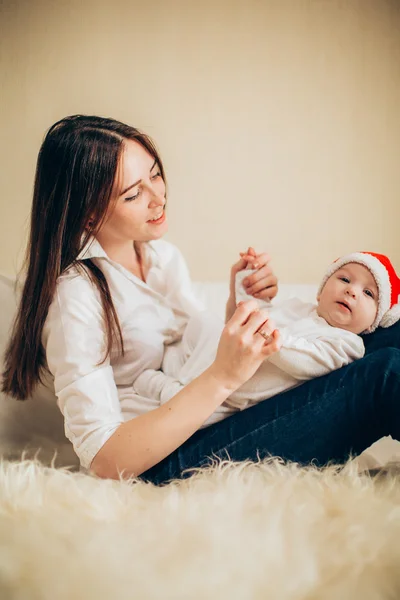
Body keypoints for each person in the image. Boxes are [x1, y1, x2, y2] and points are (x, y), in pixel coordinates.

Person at [2, 115, 400, 486]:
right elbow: (105, 459)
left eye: (155, 175)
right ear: (87, 216)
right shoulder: (75, 295)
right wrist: (225, 375)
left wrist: (240, 301)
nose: (158, 198)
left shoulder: (161, 257)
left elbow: (197, 349)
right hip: (161, 459)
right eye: (134, 194)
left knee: (388, 328)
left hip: (212, 409)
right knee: (383, 374)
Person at [132, 252, 400, 410]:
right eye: (344, 278)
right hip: (220, 362)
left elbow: (307, 361)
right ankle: (172, 368)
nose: (352, 290)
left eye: (368, 293)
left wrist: (266, 333)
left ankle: (169, 387)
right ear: (320, 293)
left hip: (234, 397)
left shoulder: (347, 344)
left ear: (372, 324)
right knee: (203, 322)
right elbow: (251, 313)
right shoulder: (300, 308)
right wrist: (245, 284)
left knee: (170, 390)